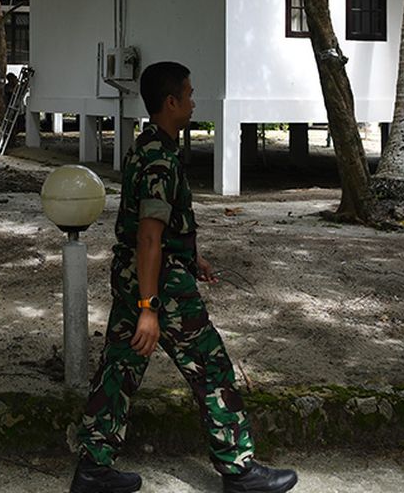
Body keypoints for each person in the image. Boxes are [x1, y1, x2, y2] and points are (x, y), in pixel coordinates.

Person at [69, 61, 298, 493]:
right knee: (211, 368)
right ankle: (239, 468)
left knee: (119, 368)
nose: (194, 102)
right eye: (189, 95)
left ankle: (94, 467)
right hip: (160, 287)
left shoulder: (150, 147)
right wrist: (150, 308)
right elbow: (149, 237)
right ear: (171, 102)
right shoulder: (159, 159)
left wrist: (192, 257)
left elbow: (160, 230)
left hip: (143, 274)